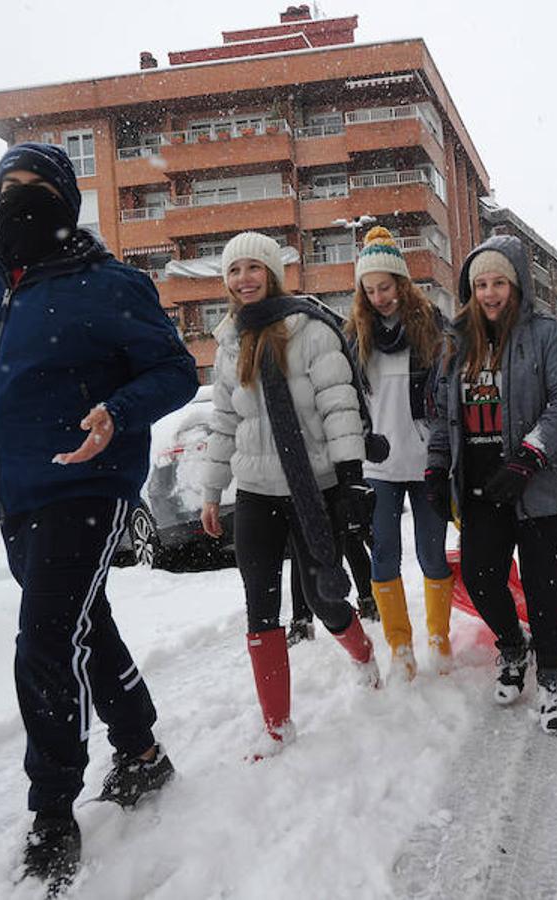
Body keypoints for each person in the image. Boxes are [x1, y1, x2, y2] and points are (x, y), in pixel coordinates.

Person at [0, 143, 198, 892]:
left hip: (86, 486)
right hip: (10, 491)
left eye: (36, 188)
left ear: (65, 200)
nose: (20, 198)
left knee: (47, 637)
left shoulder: (111, 286)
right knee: (84, 626)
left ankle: (53, 809)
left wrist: (116, 414)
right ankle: (143, 751)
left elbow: (174, 371)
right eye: (9, 186)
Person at [199, 231, 381, 755]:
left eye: (253, 269)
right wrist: (213, 491)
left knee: (326, 598)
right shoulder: (229, 340)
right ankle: (277, 724)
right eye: (234, 272)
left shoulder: (310, 330)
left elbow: (339, 406)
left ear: (273, 274)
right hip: (255, 492)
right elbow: (224, 422)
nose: (243, 280)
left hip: (313, 488)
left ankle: (362, 653)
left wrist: (349, 480)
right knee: (260, 603)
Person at [425, 233, 557, 735]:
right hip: (480, 486)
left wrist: (528, 456)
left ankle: (554, 682)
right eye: (480, 284)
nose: (490, 293)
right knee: (479, 577)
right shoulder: (455, 340)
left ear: (515, 285)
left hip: (540, 485)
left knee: (543, 588)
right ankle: (513, 648)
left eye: (498, 282)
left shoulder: (545, 333)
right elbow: (439, 413)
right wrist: (436, 466)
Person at [345, 227, 455, 680]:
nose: (378, 298)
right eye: (369, 291)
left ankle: (438, 638)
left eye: (385, 287)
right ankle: (400, 646)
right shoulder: (354, 335)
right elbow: (347, 398)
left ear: (402, 283)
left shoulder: (432, 326)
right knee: (383, 557)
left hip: (427, 458)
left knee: (432, 555)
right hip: (379, 466)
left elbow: (452, 392)